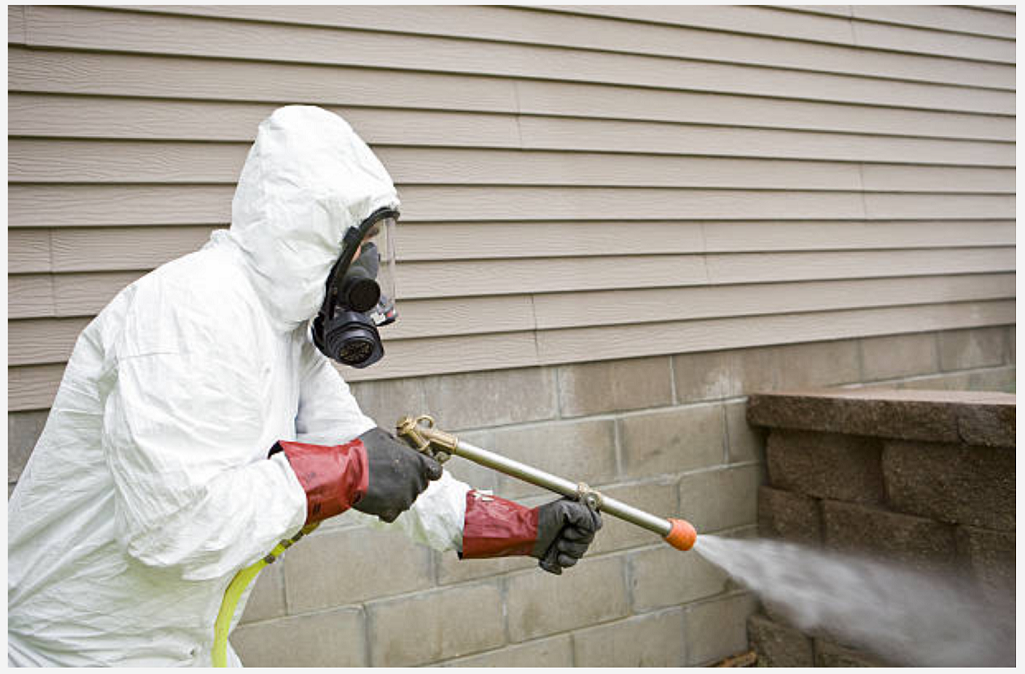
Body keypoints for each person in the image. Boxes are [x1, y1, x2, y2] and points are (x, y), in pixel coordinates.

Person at [7, 106, 602, 667]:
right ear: (313, 234)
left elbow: (369, 457)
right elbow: (171, 528)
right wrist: (344, 473)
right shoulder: (185, 313)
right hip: (69, 652)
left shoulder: (284, 334)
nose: (369, 269)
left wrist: (517, 529)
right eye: (365, 247)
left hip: (177, 644)